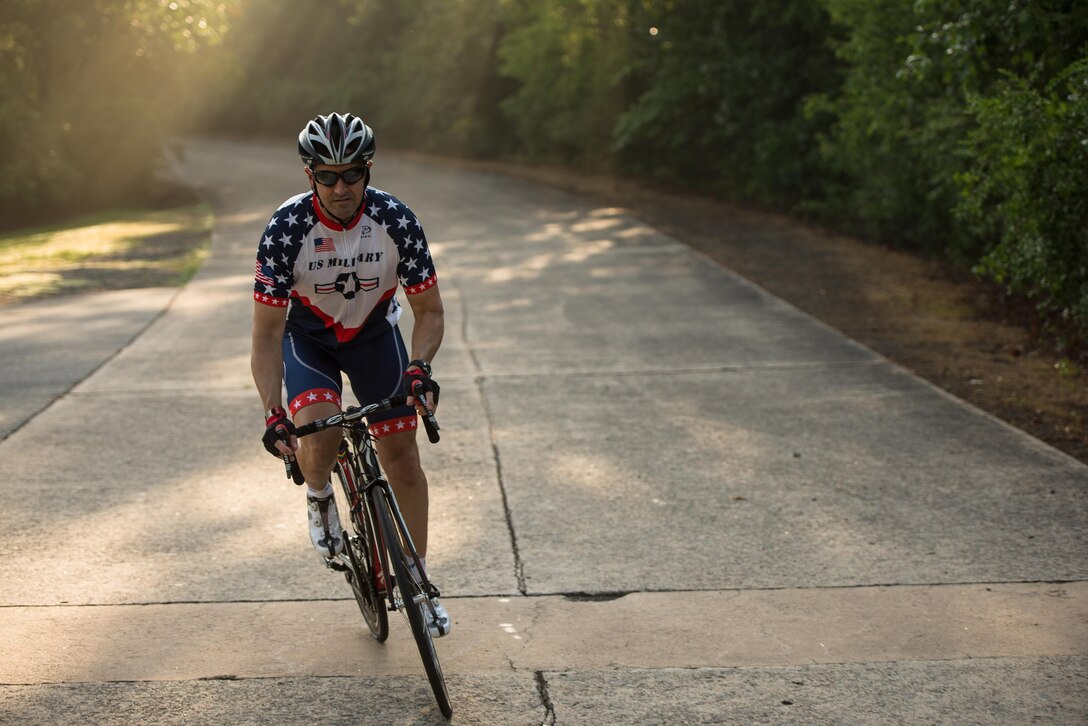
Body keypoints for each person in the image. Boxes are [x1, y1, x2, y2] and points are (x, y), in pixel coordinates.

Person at [250, 112, 450, 636]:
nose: (341, 187)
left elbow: (429, 311)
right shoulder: (286, 228)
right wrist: (274, 414)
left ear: (369, 170)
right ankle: (319, 496)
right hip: (308, 338)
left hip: (372, 337)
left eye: (352, 174)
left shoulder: (396, 220)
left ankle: (418, 581)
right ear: (308, 175)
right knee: (324, 429)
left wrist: (420, 368)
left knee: (403, 459)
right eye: (327, 176)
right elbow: (267, 334)